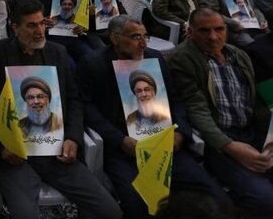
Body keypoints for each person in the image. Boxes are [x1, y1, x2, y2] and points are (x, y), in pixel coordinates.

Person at [0, 0, 121, 219]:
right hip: (17, 156)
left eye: (42, 23)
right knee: (25, 215)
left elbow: (73, 99)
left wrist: (72, 138)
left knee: (110, 211)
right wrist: (3, 143)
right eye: (32, 26)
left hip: (57, 153)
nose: (40, 30)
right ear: (15, 28)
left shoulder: (57, 52)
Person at [77, 15, 231, 218]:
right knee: (136, 202)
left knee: (213, 195)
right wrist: (120, 140)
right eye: (135, 37)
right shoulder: (93, 64)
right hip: (124, 149)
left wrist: (180, 133)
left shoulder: (154, 57)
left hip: (165, 144)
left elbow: (175, 99)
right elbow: (89, 111)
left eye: (145, 36)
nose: (142, 43)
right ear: (115, 38)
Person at [169, 8, 273, 214]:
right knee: (266, 200)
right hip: (218, 141)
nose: (213, 37)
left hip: (253, 133)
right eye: (204, 31)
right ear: (190, 32)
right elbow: (196, 110)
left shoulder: (239, 55)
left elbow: (256, 101)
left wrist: (269, 137)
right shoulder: (183, 59)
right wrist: (230, 146)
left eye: (219, 29)